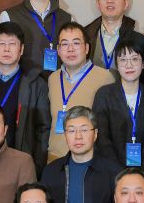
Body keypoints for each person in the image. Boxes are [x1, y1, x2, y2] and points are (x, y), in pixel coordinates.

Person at [40, 106, 118, 203]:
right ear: (65, 135)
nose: (78, 136)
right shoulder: (51, 171)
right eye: (71, 130)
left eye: (84, 130)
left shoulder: (113, 173)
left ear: (95, 134)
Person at [0, 23, 50, 167]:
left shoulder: (36, 84)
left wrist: (36, 166)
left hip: (21, 161)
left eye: (12, 44)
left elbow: (43, 128)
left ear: (21, 49)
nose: (6, 49)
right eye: (1, 44)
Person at [44, 22, 115, 162]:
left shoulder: (105, 78)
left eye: (76, 43)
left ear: (87, 48)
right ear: (58, 50)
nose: (70, 49)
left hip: (89, 160)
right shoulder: (52, 79)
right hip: (54, 158)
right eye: (65, 44)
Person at [91, 32, 144, 168]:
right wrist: (118, 172)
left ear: (143, 64)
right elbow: (102, 140)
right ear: (116, 64)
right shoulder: (104, 95)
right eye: (123, 60)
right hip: (111, 172)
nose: (129, 65)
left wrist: (142, 171)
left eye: (134, 59)